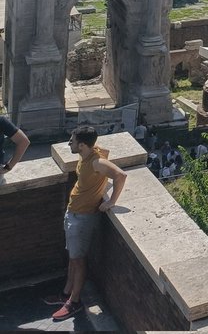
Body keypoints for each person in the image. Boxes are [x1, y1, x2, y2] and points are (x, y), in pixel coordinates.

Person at [48, 126, 127, 321]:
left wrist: (111, 202)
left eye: (72, 141)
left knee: (79, 260)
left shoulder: (96, 161)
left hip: (83, 218)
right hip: (73, 214)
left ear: (82, 145)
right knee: (73, 258)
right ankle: (66, 293)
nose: (69, 143)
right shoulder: (90, 153)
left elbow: (120, 175)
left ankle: (74, 302)